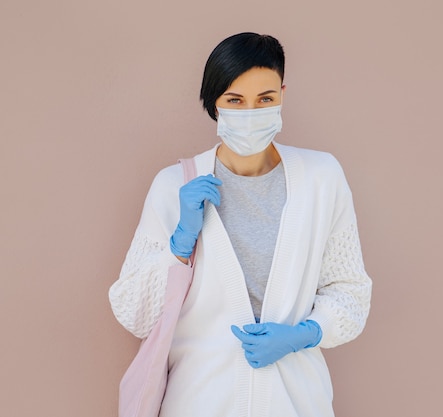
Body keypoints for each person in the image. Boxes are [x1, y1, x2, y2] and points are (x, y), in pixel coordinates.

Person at [109, 32, 372, 417]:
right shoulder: (173, 186)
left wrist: (305, 334)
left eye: (265, 99)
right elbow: (135, 314)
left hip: (296, 403)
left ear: (283, 94)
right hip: (198, 402)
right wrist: (180, 246)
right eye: (235, 100)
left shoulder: (321, 178)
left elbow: (350, 293)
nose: (250, 112)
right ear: (214, 104)